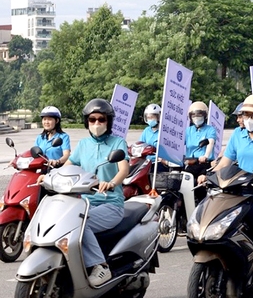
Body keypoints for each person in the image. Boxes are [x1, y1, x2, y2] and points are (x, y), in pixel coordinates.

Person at [39, 98, 130, 287]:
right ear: (87, 122)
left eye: (101, 119)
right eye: (92, 119)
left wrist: (112, 183)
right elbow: (68, 166)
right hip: (84, 202)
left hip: (110, 203)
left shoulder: (117, 143)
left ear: (108, 121)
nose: (96, 123)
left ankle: (100, 266)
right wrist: (50, 177)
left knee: (79, 224)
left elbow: (123, 169)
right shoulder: (83, 144)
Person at [198, 94, 253, 287]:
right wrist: (208, 174)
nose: (249, 119)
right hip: (239, 190)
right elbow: (225, 162)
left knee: (249, 218)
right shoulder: (237, 134)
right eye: (246, 115)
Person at [184, 101, 217, 182]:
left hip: (205, 163)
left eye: (199, 115)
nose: (196, 117)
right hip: (191, 163)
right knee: (183, 180)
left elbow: (210, 142)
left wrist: (205, 156)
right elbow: (179, 143)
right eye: (193, 115)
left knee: (202, 182)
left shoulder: (210, 129)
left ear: (205, 115)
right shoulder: (188, 130)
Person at [138, 103, 162, 168]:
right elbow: (140, 144)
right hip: (146, 161)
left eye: (152, 117)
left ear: (158, 117)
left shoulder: (163, 131)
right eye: (148, 118)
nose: (150, 120)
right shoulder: (146, 130)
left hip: (158, 162)